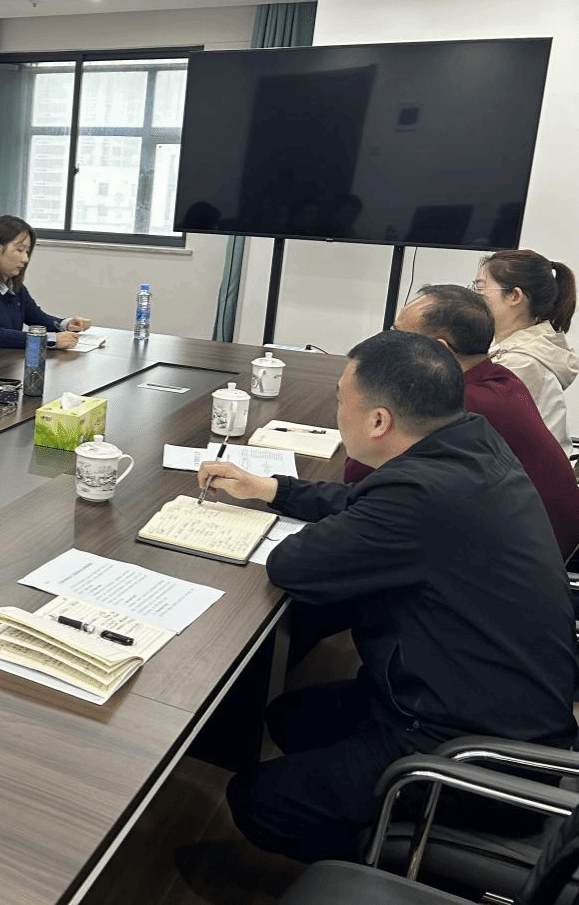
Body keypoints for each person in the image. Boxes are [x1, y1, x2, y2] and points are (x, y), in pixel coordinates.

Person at [198, 330, 577, 864]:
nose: (337, 412)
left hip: (469, 753)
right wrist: (272, 489)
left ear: (379, 421)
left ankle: (382, 862)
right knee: (289, 717)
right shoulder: (469, 441)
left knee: (255, 800)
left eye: (340, 400)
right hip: (501, 708)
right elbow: (365, 501)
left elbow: (294, 564)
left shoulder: (421, 493)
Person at [344, 284, 579, 559]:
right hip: (540, 538)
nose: (389, 344)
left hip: (520, 554)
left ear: (438, 350)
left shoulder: (458, 402)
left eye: (400, 336)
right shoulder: (500, 377)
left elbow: (359, 472)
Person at [474, 248, 577, 455]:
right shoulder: (515, 350)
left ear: (515, 296)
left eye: (480, 288)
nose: (473, 298)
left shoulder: (521, 363)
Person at [0, 215, 91, 361]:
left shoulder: (15, 288)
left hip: (1, 363)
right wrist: (50, 339)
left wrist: (66, 324)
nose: (25, 259)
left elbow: (38, 318)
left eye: (27, 252)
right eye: (20, 250)